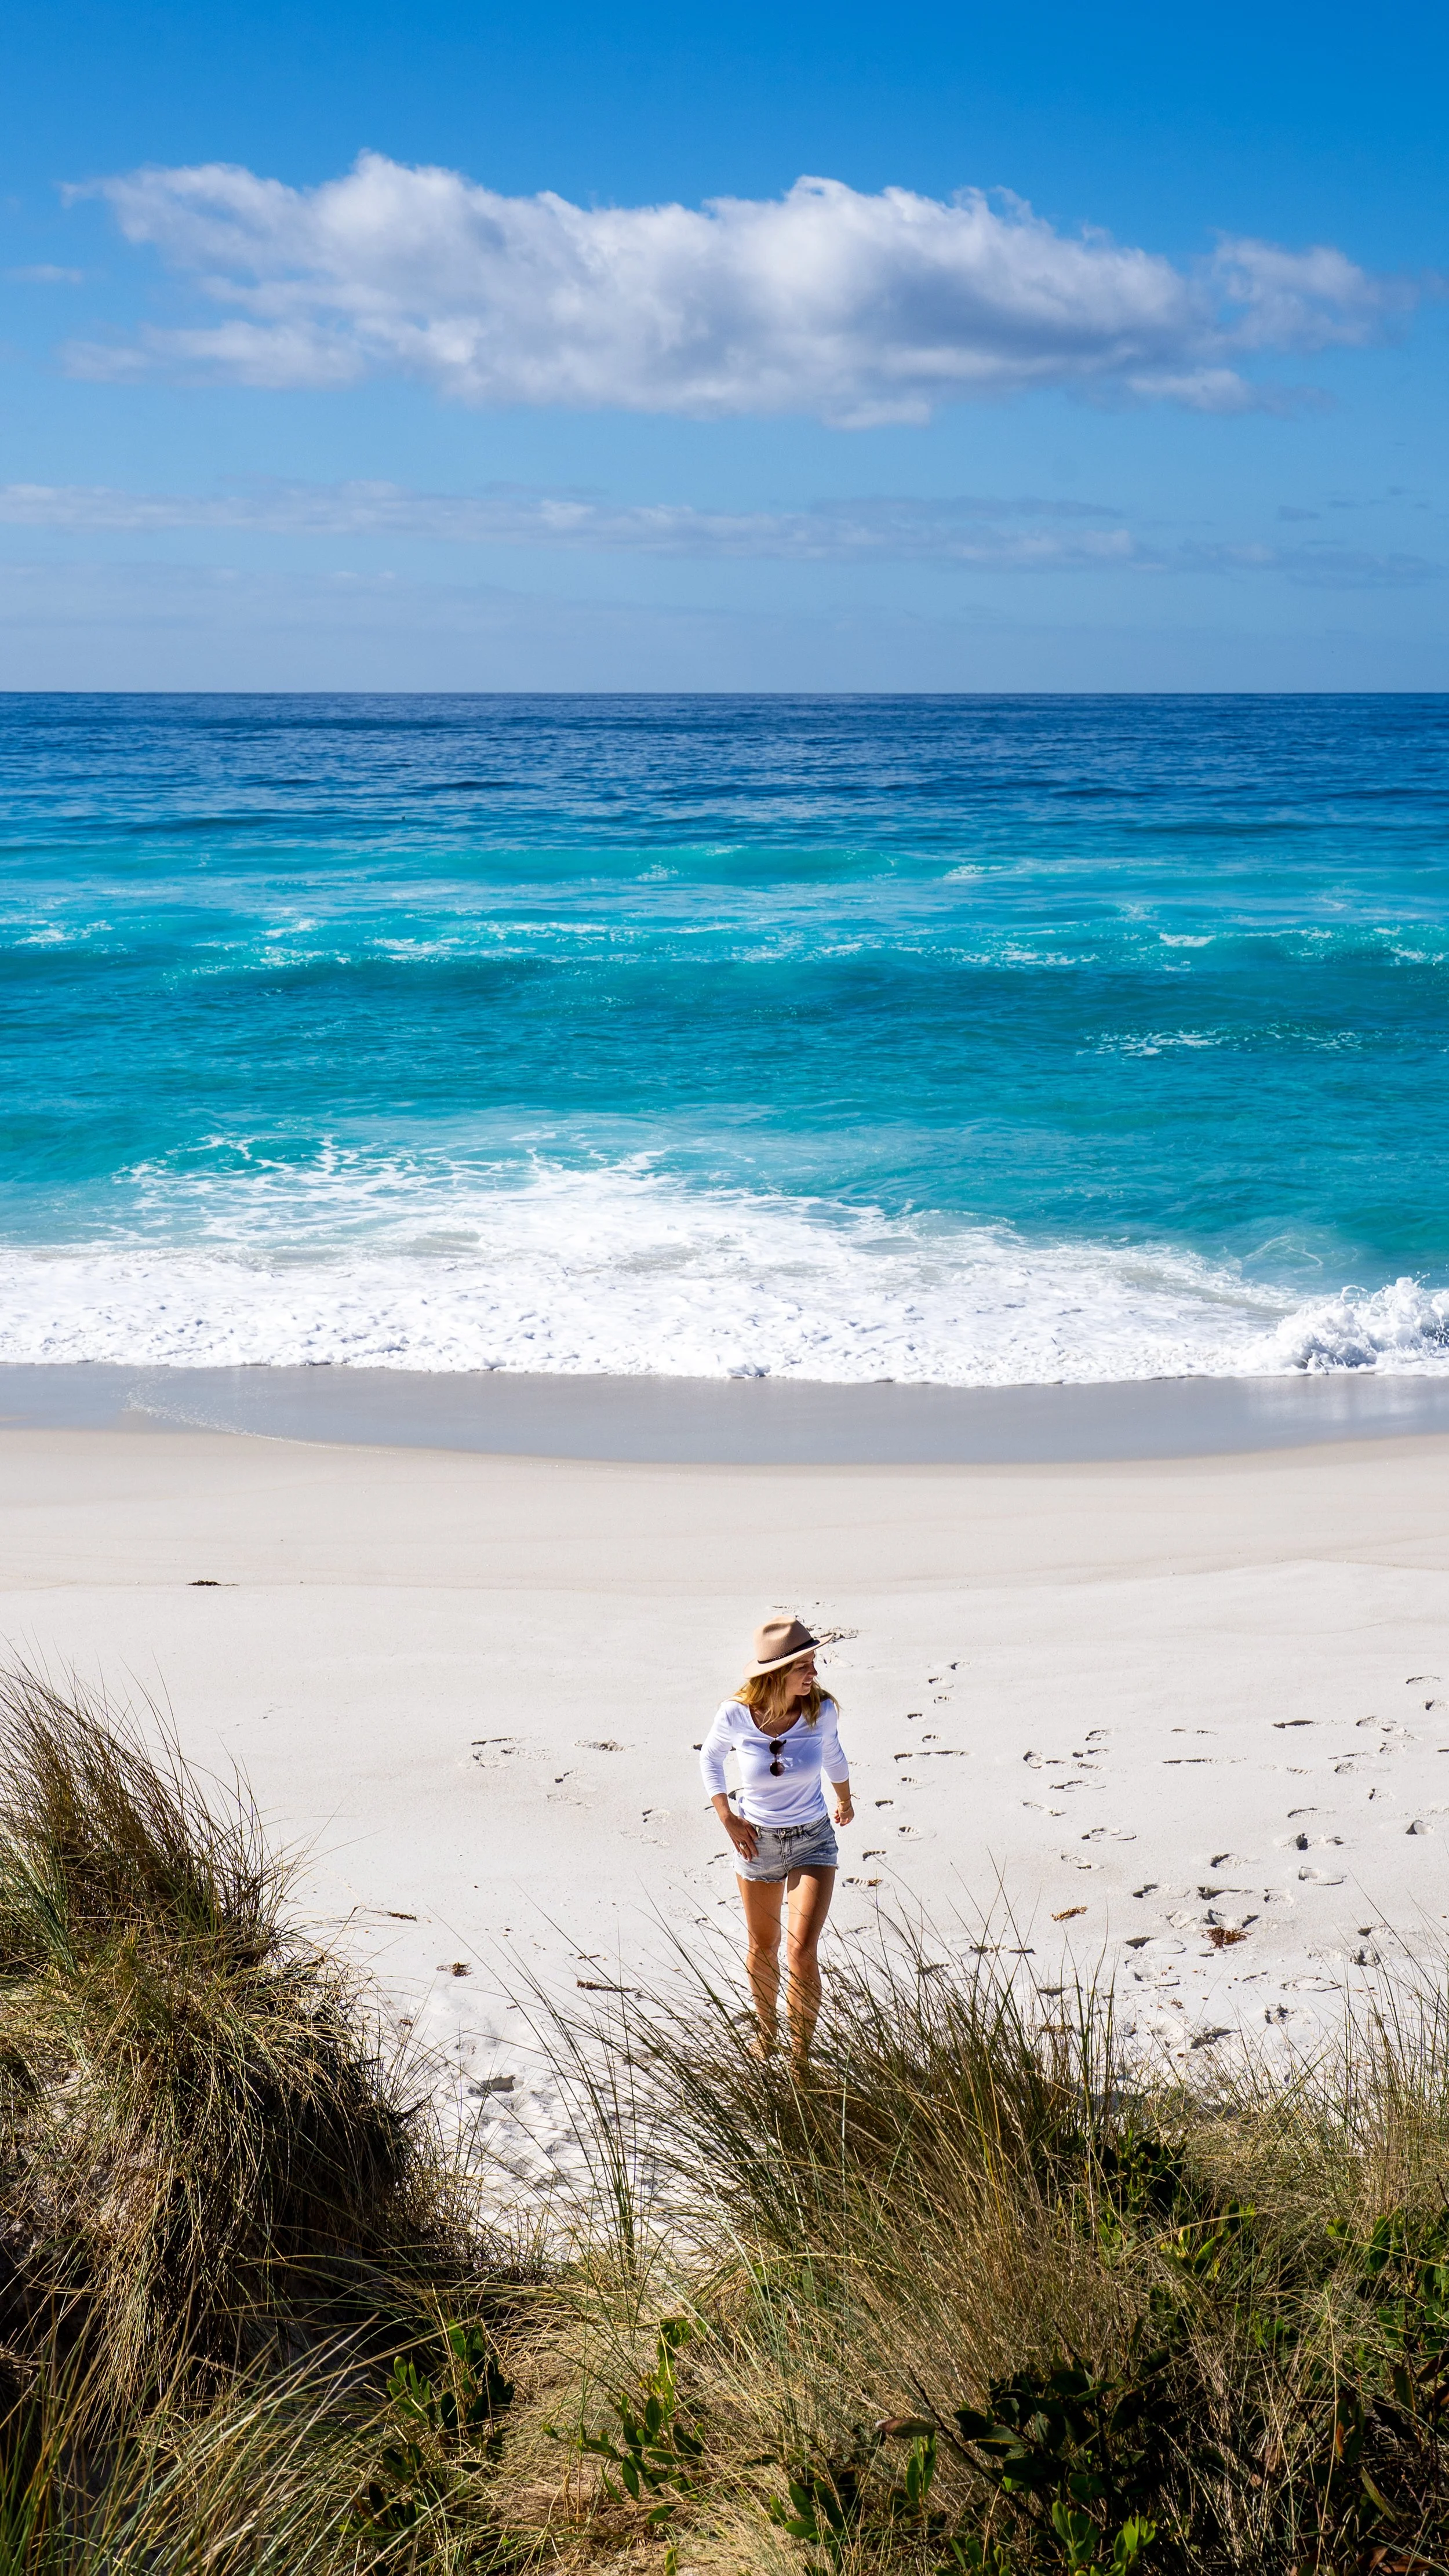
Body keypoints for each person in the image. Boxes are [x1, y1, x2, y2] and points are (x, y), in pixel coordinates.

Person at [698, 1616, 853, 2061]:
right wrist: (727, 1816)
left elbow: (834, 1755)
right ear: (777, 1672)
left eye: (814, 1662)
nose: (815, 1673)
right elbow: (710, 1760)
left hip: (813, 1839)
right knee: (763, 1947)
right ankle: (767, 2034)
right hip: (757, 1841)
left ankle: (800, 2059)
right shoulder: (735, 1712)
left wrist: (845, 1800)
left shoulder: (819, 1710)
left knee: (802, 1952)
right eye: (804, 1665)